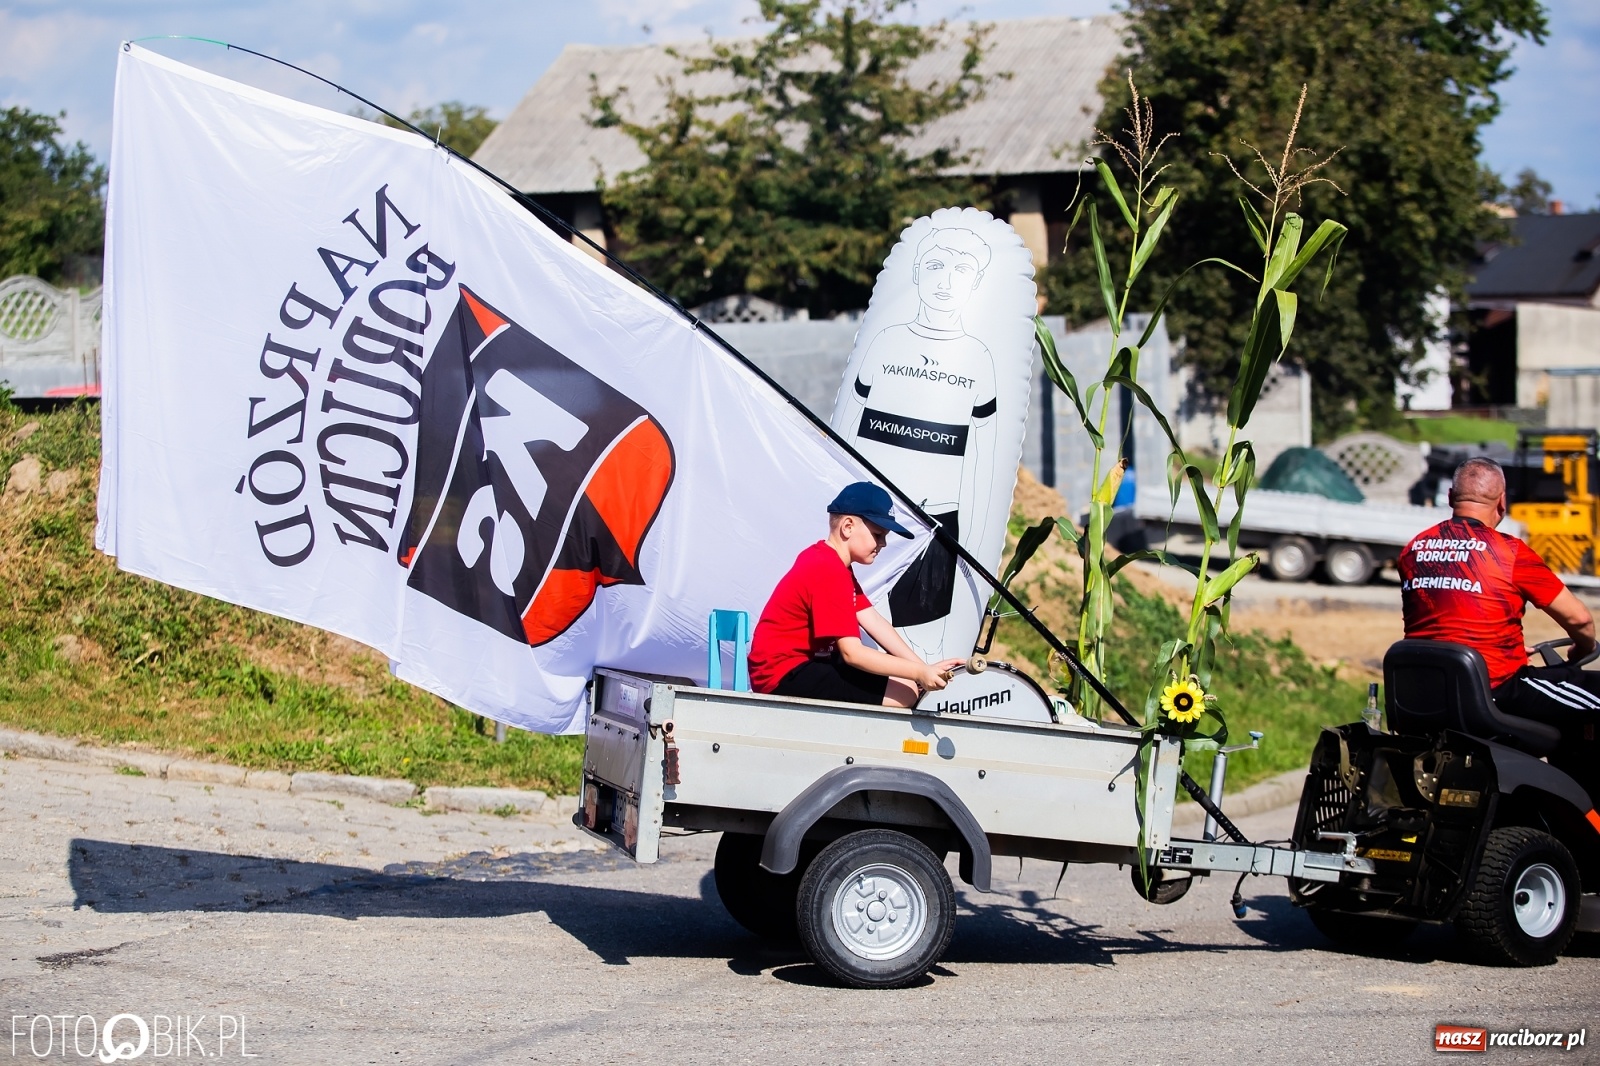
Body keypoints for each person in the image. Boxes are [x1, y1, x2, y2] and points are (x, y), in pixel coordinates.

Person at [1398, 457, 1599, 776]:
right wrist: (1583, 649)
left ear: (1450, 497)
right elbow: (1580, 621)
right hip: (1494, 688)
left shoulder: (1413, 549)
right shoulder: (1510, 552)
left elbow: (1448, 622)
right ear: (1502, 502)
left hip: (1424, 689)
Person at [747, 482, 967, 707]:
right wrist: (919, 673)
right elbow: (852, 653)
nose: (883, 543)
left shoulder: (832, 563)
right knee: (904, 694)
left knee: (907, 682)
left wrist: (924, 669)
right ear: (848, 527)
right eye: (878, 534)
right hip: (783, 675)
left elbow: (873, 620)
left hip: (799, 666)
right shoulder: (828, 569)